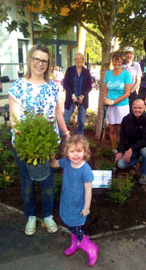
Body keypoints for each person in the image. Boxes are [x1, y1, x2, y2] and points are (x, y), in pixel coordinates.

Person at [9, 44, 70, 236]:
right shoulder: (18, 86)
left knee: (47, 182)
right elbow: (14, 119)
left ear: (49, 63)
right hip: (24, 146)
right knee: (27, 182)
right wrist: (30, 149)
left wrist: (66, 133)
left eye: (44, 60)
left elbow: (58, 111)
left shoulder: (53, 86)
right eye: (36, 59)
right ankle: (30, 217)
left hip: (48, 145)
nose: (40, 63)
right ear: (30, 60)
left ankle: (47, 215)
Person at [50, 135, 98, 267]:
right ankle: (75, 243)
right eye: (72, 151)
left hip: (79, 205)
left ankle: (90, 247)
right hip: (67, 201)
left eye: (79, 151)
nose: (75, 155)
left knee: (74, 226)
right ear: (67, 152)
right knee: (69, 223)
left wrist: (86, 207)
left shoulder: (85, 170)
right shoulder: (66, 162)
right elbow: (54, 164)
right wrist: (50, 156)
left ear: (85, 152)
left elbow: (88, 190)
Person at [115, 99, 146, 185]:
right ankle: (136, 160)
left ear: (144, 108)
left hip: (143, 146)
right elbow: (122, 137)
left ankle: (145, 173)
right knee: (120, 165)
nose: (137, 110)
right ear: (132, 108)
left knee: (145, 150)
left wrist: (131, 149)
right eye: (135, 108)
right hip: (130, 148)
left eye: (140, 108)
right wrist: (120, 151)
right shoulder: (126, 119)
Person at [103, 51, 131, 153]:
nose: (117, 63)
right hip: (110, 105)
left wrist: (113, 101)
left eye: (119, 61)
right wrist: (105, 99)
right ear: (112, 61)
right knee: (111, 128)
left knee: (121, 129)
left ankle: (122, 149)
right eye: (115, 61)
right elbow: (105, 89)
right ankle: (114, 149)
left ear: (121, 61)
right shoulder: (108, 74)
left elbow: (127, 93)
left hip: (122, 105)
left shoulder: (126, 75)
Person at [63, 52, 92, 135]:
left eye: (80, 59)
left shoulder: (86, 72)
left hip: (83, 99)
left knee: (82, 121)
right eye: (77, 59)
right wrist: (73, 95)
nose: (79, 60)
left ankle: (79, 136)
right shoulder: (70, 70)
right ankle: (62, 137)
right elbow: (65, 84)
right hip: (71, 98)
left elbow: (89, 86)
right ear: (74, 60)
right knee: (65, 119)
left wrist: (82, 96)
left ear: (83, 60)